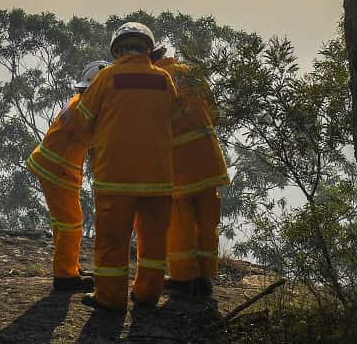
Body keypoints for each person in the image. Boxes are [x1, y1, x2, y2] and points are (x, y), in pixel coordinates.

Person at [76, 22, 177, 313]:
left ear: (118, 50)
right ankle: (146, 295)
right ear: (148, 48)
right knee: (154, 244)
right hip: (158, 178)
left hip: (115, 178)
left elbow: (83, 119)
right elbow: (172, 115)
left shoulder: (106, 78)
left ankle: (110, 298)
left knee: (112, 243)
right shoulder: (164, 79)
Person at [27, 59, 109, 291]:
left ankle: (69, 266)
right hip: (57, 169)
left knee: (64, 222)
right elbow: (97, 138)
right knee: (70, 223)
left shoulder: (78, 102)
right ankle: (65, 276)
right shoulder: (85, 111)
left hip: (50, 165)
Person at [158, 53, 230, 298]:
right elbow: (215, 114)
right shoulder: (192, 73)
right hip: (209, 161)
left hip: (180, 167)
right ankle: (205, 277)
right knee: (207, 221)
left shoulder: (157, 79)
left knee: (179, 222)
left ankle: (183, 278)